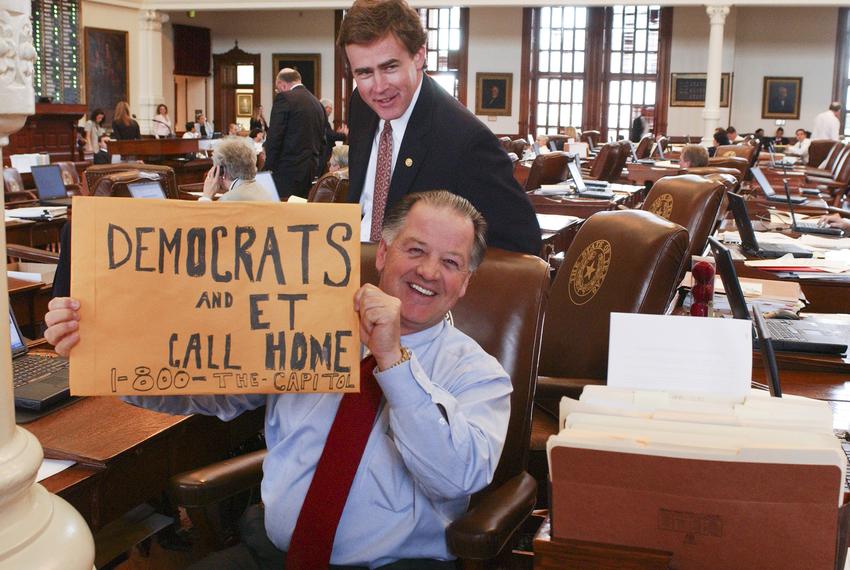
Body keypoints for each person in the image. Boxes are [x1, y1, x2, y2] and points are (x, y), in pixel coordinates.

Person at [43, 190, 511, 569]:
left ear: (466, 281)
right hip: (271, 555)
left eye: (451, 262)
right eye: (416, 250)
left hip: (395, 565)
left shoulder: (479, 374)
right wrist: (104, 347)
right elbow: (207, 391)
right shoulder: (302, 322)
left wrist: (392, 359)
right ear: (384, 252)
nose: (429, 271)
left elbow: (456, 478)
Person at [339, 0, 540, 255]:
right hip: (350, 267)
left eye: (390, 67)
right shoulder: (361, 105)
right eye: (364, 73)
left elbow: (521, 245)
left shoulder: (466, 141)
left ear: (419, 55)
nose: (378, 88)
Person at [263, 68, 327, 199]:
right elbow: (323, 141)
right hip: (310, 170)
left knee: (283, 213)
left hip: (286, 170)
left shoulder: (284, 98)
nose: (278, 91)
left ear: (282, 84)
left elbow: (275, 136)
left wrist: (267, 168)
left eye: (277, 89)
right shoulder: (317, 104)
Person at [198, 137, 278, 202]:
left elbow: (203, 221)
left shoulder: (228, 200)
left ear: (222, 171)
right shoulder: (265, 193)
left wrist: (206, 197)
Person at [320, 98, 349, 174]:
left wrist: (337, 133)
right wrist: (343, 135)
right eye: (328, 107)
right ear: (322, 107)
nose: (330, 110)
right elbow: (330, 135)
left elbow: (329, 134)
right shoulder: (321, 119)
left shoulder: (324, 119)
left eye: (331, 108)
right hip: (323, 153)